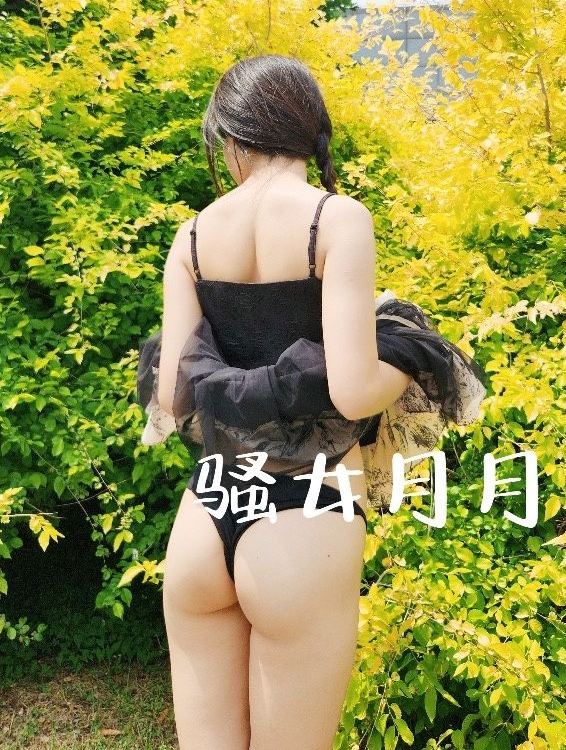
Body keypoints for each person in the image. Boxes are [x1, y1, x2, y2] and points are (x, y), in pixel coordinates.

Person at [155, 54, 414, 750]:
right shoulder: (337, 219)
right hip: (305, 516)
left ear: (230, 136)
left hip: (206, 515)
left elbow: (172, 400)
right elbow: (352, 391)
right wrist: (405, 354)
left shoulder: (192, 236)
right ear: (308, 127)